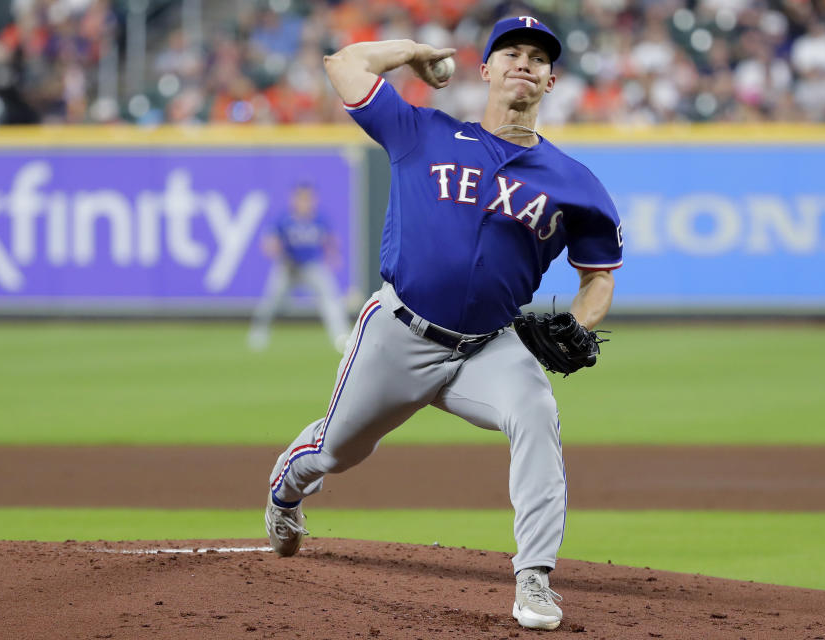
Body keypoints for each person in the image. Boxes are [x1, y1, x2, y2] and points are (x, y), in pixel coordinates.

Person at [264, 16, 622, 631]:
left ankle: (534, 577)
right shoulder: (420, 132)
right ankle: (286, 490)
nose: (524, 63)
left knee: (536, 413)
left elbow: (599, 276)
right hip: (398, 332)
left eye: (538, 58)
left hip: (489, 346)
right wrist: (413, 53)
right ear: (485, 69)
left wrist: (583, 325)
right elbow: (342, 64)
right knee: (338, 450)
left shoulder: (575, 183)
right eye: (510, 52)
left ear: (551, 80)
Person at [248, 182, 349, 353]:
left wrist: (333, 255)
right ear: (294, 200)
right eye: (301, 198)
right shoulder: (285, 219)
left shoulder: (319, 218)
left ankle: (341, 336)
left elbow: (329, 239)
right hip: (288, 267)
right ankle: (258, 334)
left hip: (311, 266)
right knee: (271, 301)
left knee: (330, 297)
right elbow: (269, 242)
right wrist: (274, 249)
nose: (305, 202)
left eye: (308, 198)